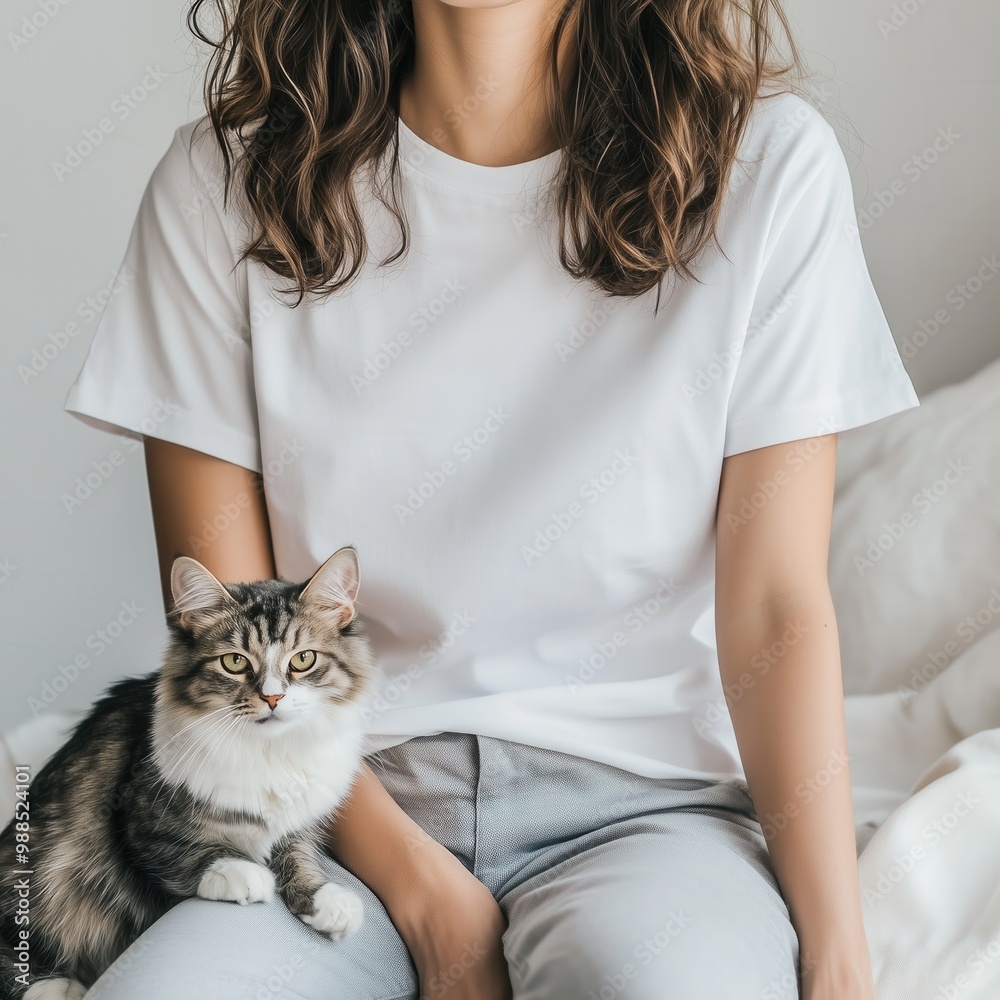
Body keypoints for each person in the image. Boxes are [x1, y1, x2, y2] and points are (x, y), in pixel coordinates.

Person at [63, 0, 919, 997]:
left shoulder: (768, 169)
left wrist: (839, 954)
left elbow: (774, 610)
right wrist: (422, 891)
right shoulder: (217, 187)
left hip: (649, 815)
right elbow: (224, 622)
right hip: (327, 816)